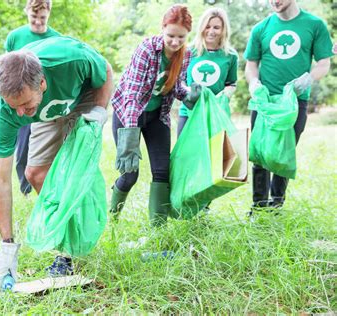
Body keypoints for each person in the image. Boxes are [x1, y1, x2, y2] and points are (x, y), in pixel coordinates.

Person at [0, 36, 113, 286]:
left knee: (76, 173)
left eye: (23, 104)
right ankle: (67, 232)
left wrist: (100, 109)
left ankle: (68, 251)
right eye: (14, 106)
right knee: (34, 173)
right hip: (46, 112)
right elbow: (0, 179)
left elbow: (106, 70)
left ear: (42, 83)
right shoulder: (8, 111)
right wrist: (7, 246)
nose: (20, 114)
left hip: (81, 96)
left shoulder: (71, 60)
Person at [110, 4, 200, 226]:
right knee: (130, 174)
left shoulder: (185, 54)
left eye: (181, 37)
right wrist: (130, 135)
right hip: (129, 115)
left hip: (157, 116)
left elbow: (174, 86)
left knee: (162, 172)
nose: (175, 42)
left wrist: (189, 95)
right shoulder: (147, 50)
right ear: (162, 29)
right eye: (170, 35)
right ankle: (111, 215)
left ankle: (157, 230)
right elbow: (132, 94)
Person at [244, 0, 332, 210]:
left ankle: (276, 204)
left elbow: (324, 63)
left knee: (285, 151)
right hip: (264, 101)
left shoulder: (314, 25)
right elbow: (251, 65)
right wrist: (253, 82)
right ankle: (259, 206)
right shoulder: (261, 28)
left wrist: (309, 78)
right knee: (261, 152)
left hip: (294, 102)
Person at [5, 0, 61, 196]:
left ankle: (50, 185)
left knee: (48, 151)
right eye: (34, 17)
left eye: (42, 18)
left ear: (49, 14)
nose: (38, 22)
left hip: (46, 103)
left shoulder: (56, 38)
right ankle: (25, 190)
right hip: (23, 103)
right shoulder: (15, 37)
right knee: (22, 151)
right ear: (27, 12)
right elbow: (8, 72)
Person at [177, 7, 238, 137]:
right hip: (189, 112)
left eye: (216, 27)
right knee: (185, 156)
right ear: (201, 28)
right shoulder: (188, 51)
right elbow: (179, 81)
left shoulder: (231, 56)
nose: (211, 31)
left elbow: (231, 83)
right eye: (207, 26)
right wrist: (189, 92)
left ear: (223, 30)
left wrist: (225, 95)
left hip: (215, 113)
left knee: (214, 156)